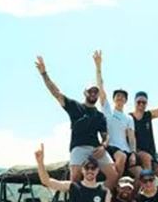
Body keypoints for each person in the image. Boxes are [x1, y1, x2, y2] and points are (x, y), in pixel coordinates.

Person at [35, 56, 118, 188]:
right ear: (85, 92)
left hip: (96, 148)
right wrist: (44, 73)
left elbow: (105, 135)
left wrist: (103, 146)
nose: (93, 93)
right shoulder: (75, 106)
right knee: (75, 180)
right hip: (78, 147)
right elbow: (56, 93)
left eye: (96, 92)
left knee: (114, 177)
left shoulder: (100, 115)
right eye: (90, 91)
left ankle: (95, 195)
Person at [93, 50, 139, 178]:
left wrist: (134, 153)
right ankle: (114, 187)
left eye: (123, 96)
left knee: (140, 173)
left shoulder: (129, 118)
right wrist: (98, 66)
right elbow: (100, 87)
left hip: (126, 150)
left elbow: (131, 137)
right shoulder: (107, 109)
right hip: (111, 147)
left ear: (126, 100)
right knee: (122, 157)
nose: (120, 98)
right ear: (114, 99)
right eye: (117, 96)